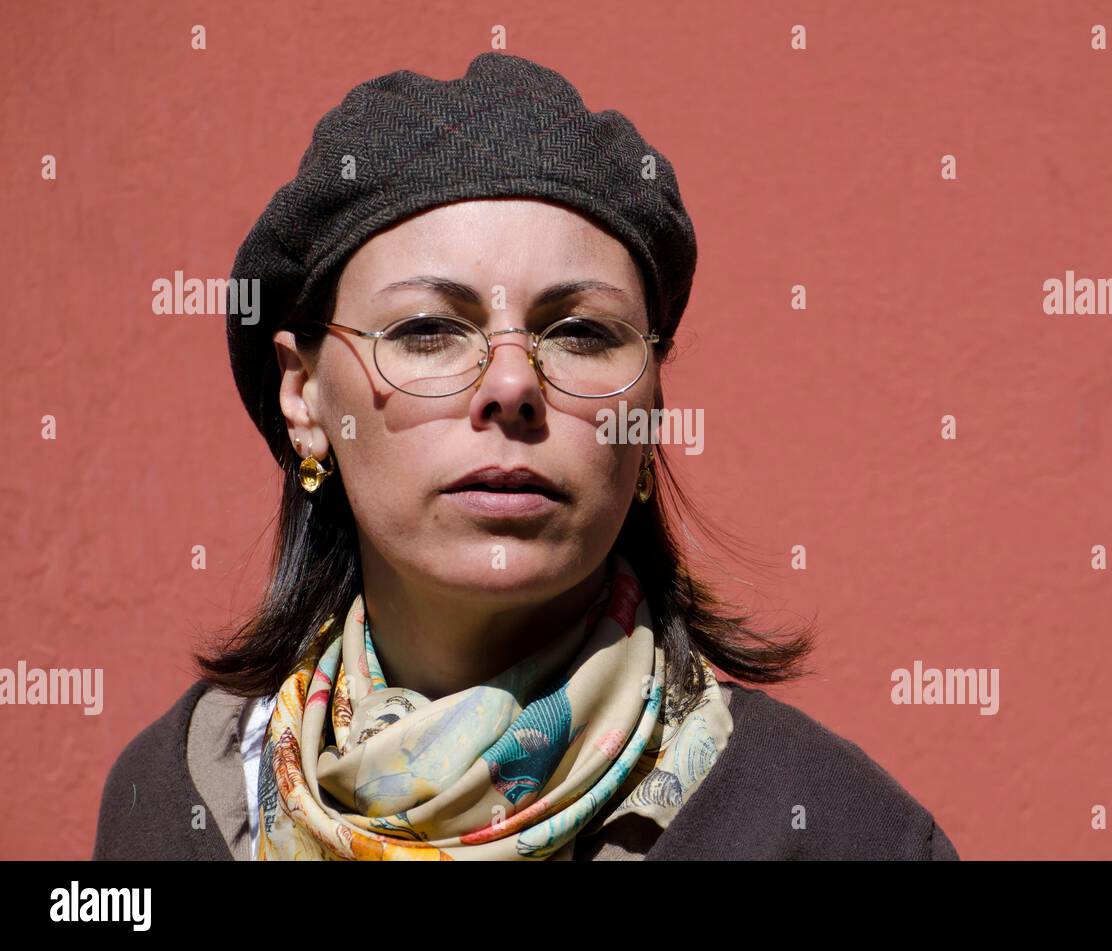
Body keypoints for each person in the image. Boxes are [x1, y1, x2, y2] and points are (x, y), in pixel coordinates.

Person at [92, 52, 959, 861]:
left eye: (581, 332)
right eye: (429, 329)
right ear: (304, 398)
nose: (511, 383)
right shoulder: (177, 806)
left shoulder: (836, 831)